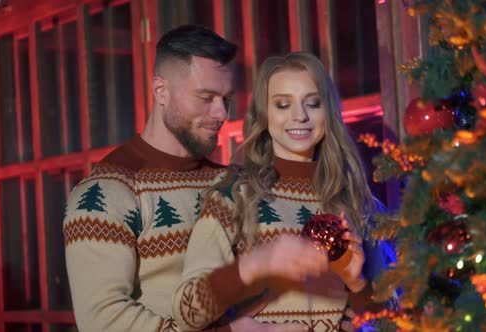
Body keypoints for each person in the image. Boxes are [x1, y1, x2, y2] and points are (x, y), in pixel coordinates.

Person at [64, 25, 308, 332]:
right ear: (160, 91)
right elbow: (104, 322)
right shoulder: (104, 194)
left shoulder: (230, 184)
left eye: (225, 98)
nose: (221, 113)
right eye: (206, 97)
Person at [172, 52, 395, 332]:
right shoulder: (233, 199)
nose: (300, 116)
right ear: (264, 115)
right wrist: (255, 266)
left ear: (328, 112)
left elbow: (397, 323)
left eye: (312, 104)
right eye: (282, 104)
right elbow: (185, 313)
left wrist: (358, 285)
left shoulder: (359, 204)